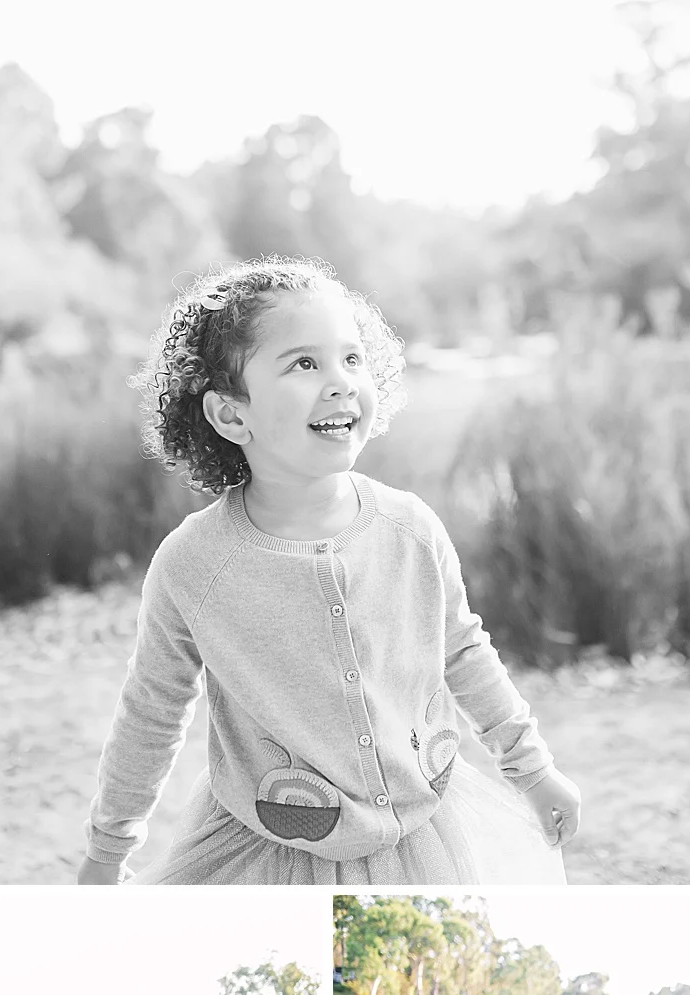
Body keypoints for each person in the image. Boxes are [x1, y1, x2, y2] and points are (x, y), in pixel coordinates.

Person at [76, 257, 582, 886]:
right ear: (232, 416)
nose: (341, 382)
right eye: (304, 364)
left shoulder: (410, 530)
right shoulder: (194, 565)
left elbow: (462, 650)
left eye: (351, 359)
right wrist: (107, 849)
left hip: (422, 839)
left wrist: (530, 768)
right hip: (267, 851)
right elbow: (152, 713)